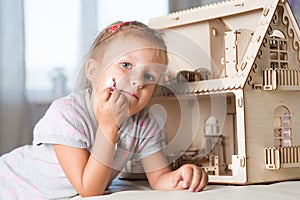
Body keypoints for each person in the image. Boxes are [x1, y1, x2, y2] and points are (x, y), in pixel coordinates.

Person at [0, 21, 208, 199]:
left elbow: (159, 178)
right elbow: (89, 189)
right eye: (126, 65)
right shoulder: (67, 114)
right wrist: (109, 126)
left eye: (149, 76)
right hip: (10, 186)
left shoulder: (144, 123)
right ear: (93, 71)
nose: (137, 81)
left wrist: (182, 176)